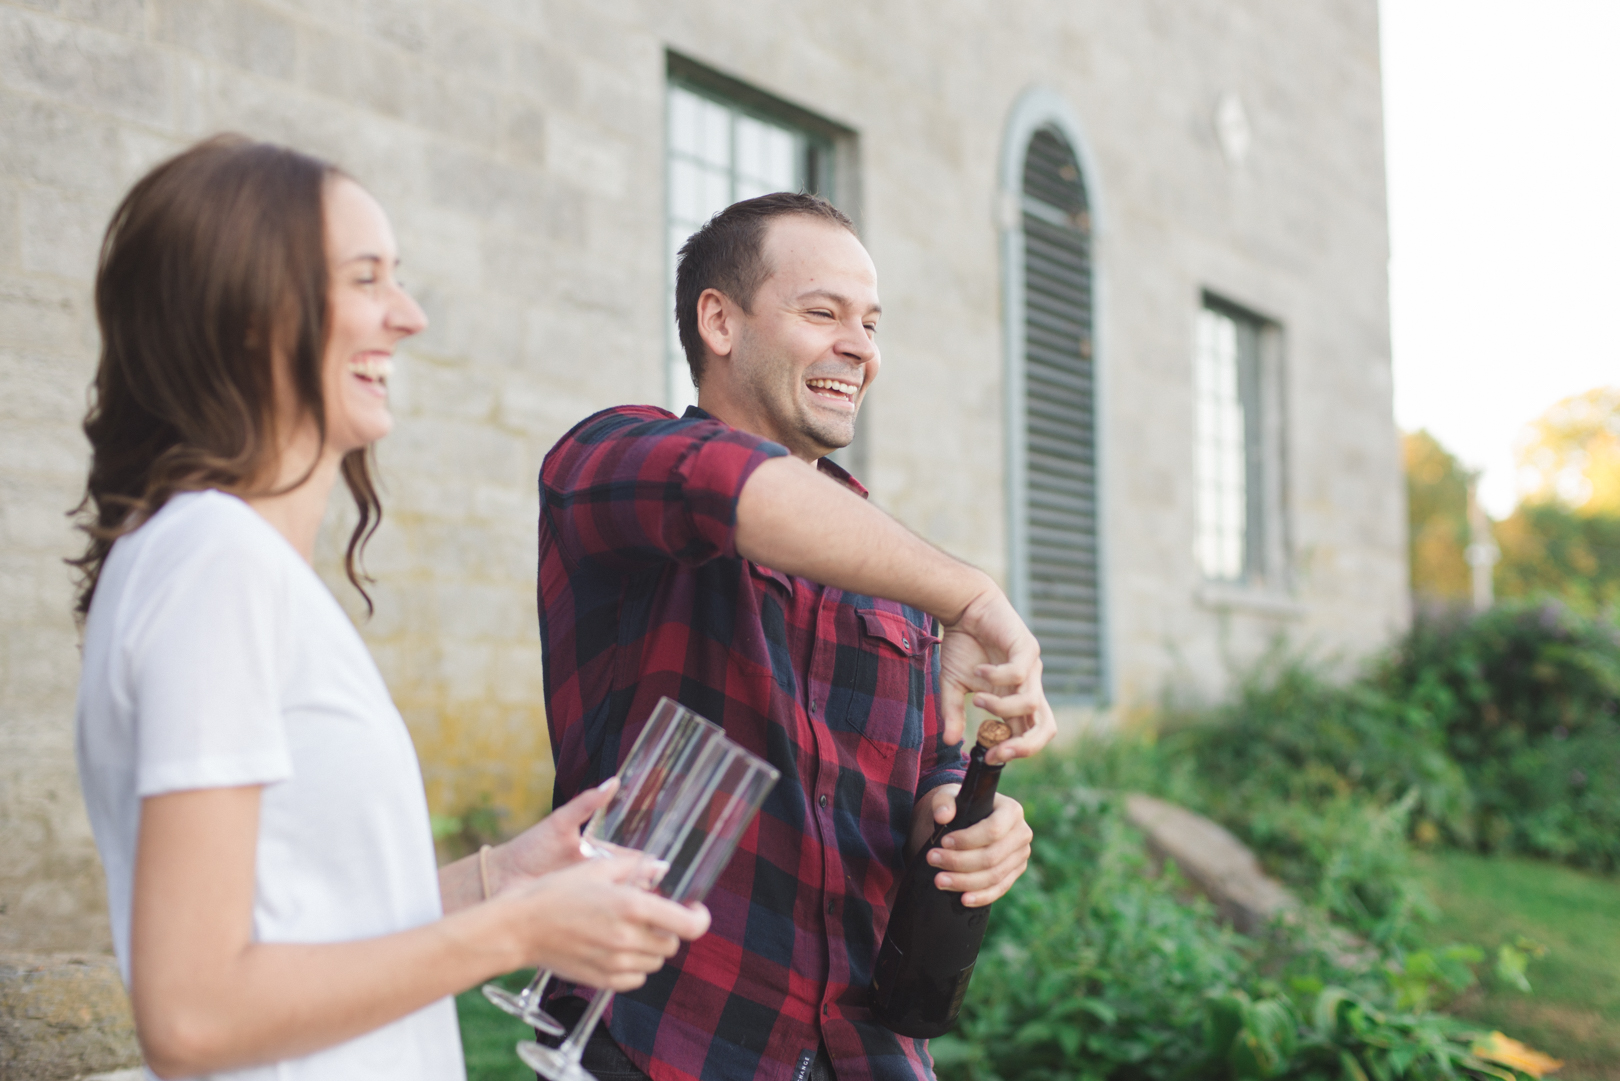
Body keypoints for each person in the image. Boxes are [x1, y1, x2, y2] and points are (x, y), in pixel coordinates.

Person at [70, 135, 709, 1081]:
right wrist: (514, 931)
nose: (407, 317)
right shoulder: (214, 559)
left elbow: (306, 920)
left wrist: (501, 880)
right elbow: (193, 1014)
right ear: (249, 311)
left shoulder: (229, 562)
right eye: (367, 279)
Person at [536, 192, 1058, 1081]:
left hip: (866, 1052)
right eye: (823, 313)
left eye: (872, 322)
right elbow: (726, 486)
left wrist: (966, 819)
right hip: (657, 1039)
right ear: (719, 322)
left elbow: (923, 776)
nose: (861, 347)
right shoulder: (616, 460)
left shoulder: (892, 573)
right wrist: (973, 595)